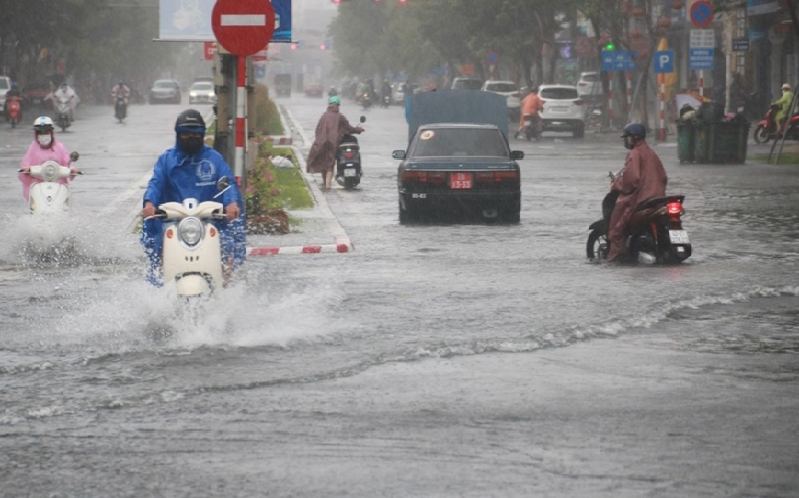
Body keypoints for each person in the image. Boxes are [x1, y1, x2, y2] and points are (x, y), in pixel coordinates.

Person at [140, 109, 245, 286]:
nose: (191, 137)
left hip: (210, 220)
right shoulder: (167, 160)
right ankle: (159, 281)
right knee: (158, 242)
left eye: (195, 133)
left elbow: (227, 182)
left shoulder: (214, 159)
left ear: (202, 134)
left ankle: (225, 286)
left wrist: (231, 202)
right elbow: (156, 183)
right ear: (178, 134)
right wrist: (150, 203)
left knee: (227, 244)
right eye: (185, 134)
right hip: (173, 221)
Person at [606, 123, 668, 263]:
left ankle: (615, 257)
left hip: (640, 199)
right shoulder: (651, 153)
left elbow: (632, 181)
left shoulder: (634, 153)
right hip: (658, 199)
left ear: (634, 138)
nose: (626, 140)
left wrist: (617, 184)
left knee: (617, 228)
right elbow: (663, 177)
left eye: (627, 137)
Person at [306, 96, 364, 191]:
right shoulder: (340, 117)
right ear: (337, 105)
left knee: (324, 162)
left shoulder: (323, 116)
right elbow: (349, 128)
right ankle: (328, 186)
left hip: (321, 142)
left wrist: (319, 140)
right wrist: (358, 130)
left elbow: (317, 130)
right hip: (333, 143)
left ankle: (325, 183)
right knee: (330, 164)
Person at [18, 116, 80, 201]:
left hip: (58, 184)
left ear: (51, 133)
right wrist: (25, 170)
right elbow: (26, 164)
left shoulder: (59, 147)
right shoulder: (32, 149)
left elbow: (67, 162)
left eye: (46, 132)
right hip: (38, 185)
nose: (43, 135)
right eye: (40, 133)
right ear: (36, 135)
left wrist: (72, 170)